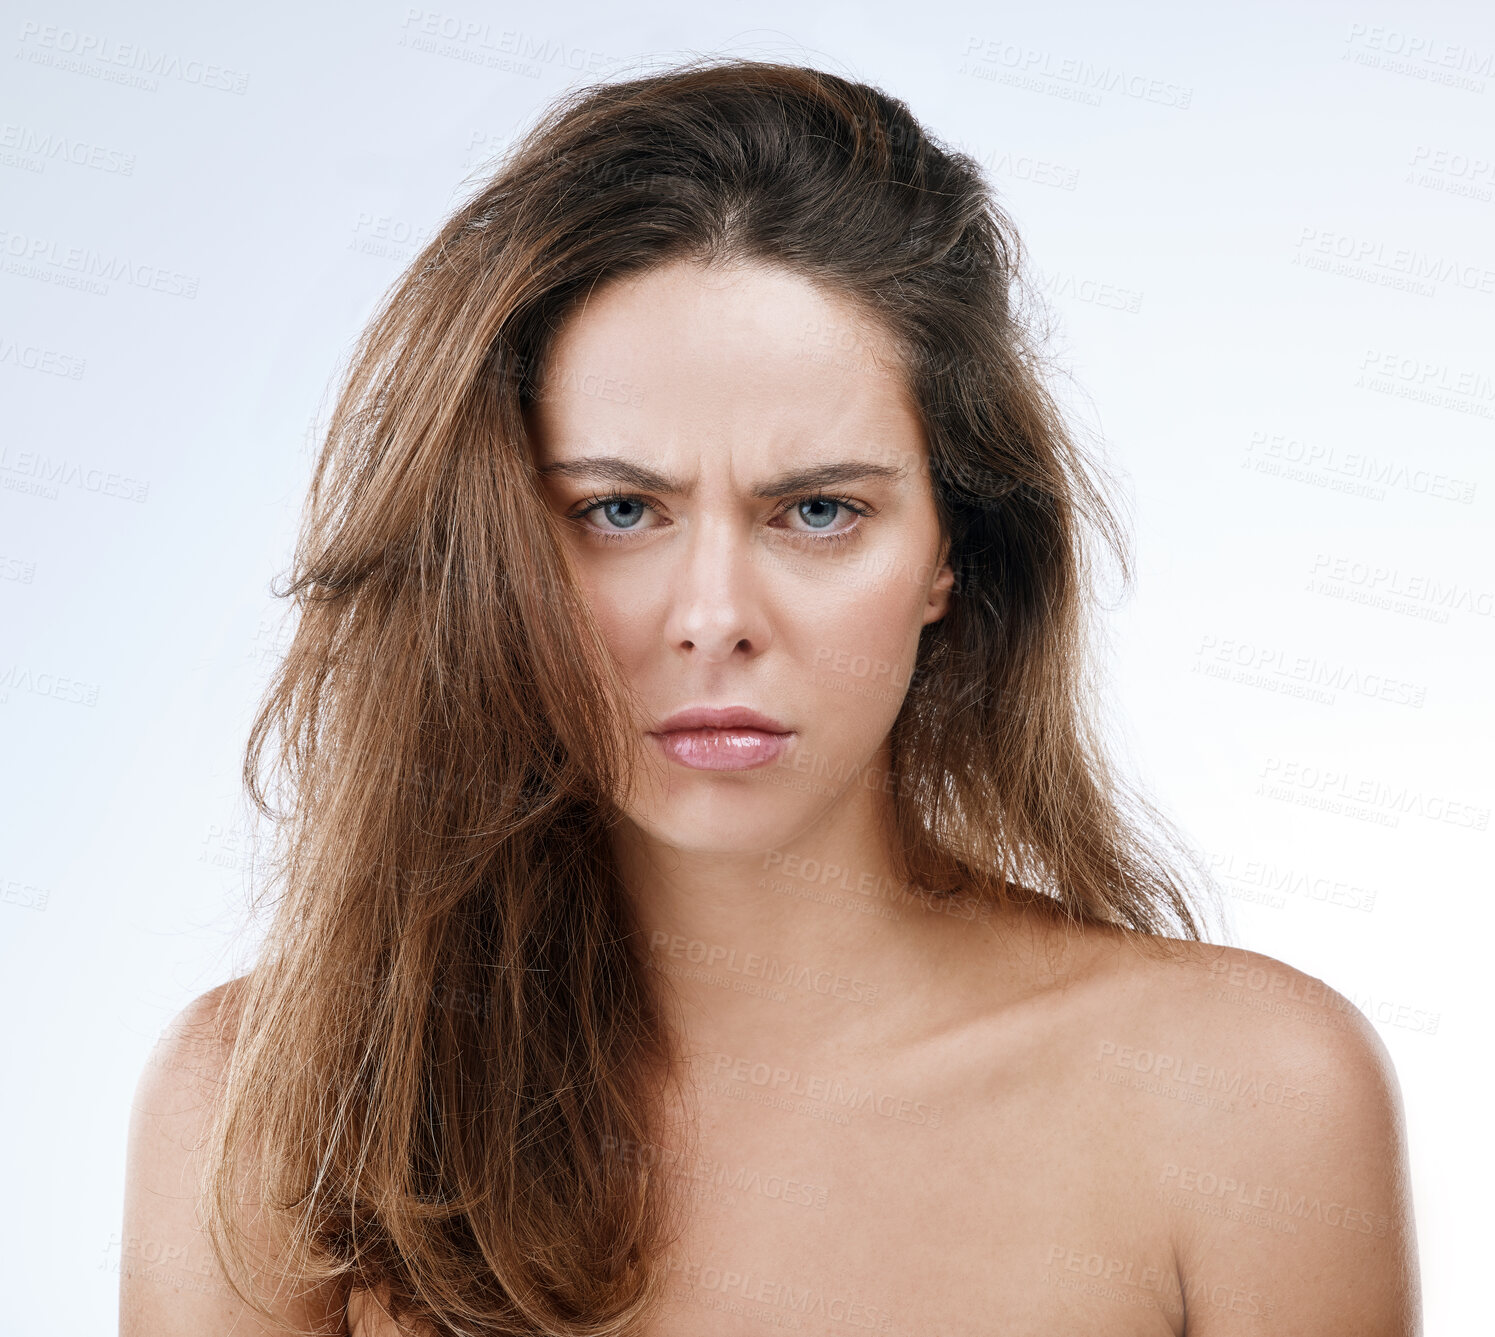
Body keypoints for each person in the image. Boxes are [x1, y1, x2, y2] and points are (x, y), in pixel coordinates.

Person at [120, 56, 1421, 1337]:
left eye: (817, 510)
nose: (716, 618)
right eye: (619, 510)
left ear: (949, 552)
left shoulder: (1247, 1101)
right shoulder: (273, 1104)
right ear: (491, 552)